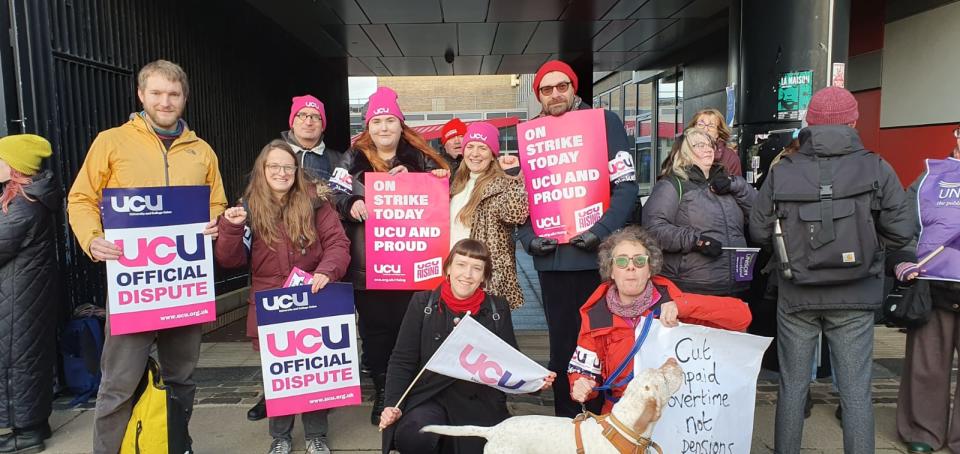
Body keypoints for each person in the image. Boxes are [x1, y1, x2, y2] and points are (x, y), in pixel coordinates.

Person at [67, 60, 227, 454]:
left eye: (173, 94)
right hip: (133, 286)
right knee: (118, 382)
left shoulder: (202, 151)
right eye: (156, 93)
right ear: (141, 95)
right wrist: (92, 238)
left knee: (182, 379)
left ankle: (174, 444)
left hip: (184, 286)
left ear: (184, 98)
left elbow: (217, 204)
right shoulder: (111, 141)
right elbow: (80, 198)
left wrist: (215, 223)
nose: (165, 101)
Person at [749, 86, 912, 454]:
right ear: (853, 121)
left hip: (796, 292)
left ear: (809, 123)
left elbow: (758, 230)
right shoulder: (876, 166)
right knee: (856, 391)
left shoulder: (783, 170)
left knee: (792, 387)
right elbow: (902, 231)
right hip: (855, 293)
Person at [516, 59, 639, 417]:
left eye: (562, 86)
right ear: (538, 95)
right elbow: (521, 197)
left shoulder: (604, 123)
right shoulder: (532, 133)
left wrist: (599, 232)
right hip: (552, 261)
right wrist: (527, 239)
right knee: (562, 349)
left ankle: (602, 421)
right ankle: (567, 424)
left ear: (574, 88)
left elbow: (626, 188)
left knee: (601, 341)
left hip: (594, 259)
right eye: (546, 89)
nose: (555, 94)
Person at [214, 140, 350, 454]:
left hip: (313, 298)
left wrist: (327, 271)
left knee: (314, 372)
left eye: (287, 166)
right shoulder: (247, 207)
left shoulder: (316, 203)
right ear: (263, 170)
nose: (281, 172)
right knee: (279, 377)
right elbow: (230, 260)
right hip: (269, 304)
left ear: (296, 171)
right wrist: (230, 229)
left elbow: (338, 244)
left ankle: (317, 436)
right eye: (273, 166)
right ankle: (281, 437)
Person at [241, 95, 359, 423]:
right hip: (278, 264)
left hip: (324, 254)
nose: (309, 121)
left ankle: (321, 399)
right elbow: (254, 208)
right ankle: (275, 399)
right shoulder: (274, 154)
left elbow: (349, 194)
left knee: (318, 347)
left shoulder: (339, 159)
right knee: (283, 354)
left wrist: (350, 205)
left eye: (316, 117)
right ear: (292, 121)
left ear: (323, 124)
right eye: (303, 115)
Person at [378, 239, 555, 454]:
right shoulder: (423, 303)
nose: (467, 274)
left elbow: (511, 361)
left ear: (484, 276)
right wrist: (392, 404)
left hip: (479, 400)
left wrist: (535, 383)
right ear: (448, 268)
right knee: (416, 434)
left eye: (476, 268)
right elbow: (402, 359)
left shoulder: (497, 308)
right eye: (461, 264)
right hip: (430, 395)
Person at [340, 86, 450, 425]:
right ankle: (384, 393)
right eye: (377, 121)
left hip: (413, 266)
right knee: (375, 334)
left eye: (390, 120)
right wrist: (349, 203)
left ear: (401, 125)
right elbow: (331, 194)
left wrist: (427, 179)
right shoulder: (351, 158)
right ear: (368, 126)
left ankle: (407, 394)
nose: (384, 127)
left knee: (411, 331)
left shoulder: (420, 158)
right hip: (368, 267)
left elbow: (445, 192)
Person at [567, 226, 751, 413]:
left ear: (649, 270)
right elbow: (584, 372)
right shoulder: (596, 317)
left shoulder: (674, 304)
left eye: (639, 261)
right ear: (612, 271)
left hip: (674, 415)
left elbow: (741, 317)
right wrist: (580, 384)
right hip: (621, 418)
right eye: (621, 261)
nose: (631, 266)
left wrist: (684, 305)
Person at [893, 124, 960, 454]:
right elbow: (902, 224)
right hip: (933, 283)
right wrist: (904, 259)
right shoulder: (928, 180)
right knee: (926, 361)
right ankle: (922, 430)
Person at [642, 128, 757, 297]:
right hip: (692, 286)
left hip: (736, 284)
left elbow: (759, 212)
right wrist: (697, 241)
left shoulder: (727, 183)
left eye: (710, 145)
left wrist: (737, 185)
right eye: (699, 145)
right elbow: (653, 229)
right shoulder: (672, 184)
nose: (708, 149)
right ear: (685, 152)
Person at [0, 135, 59, 453]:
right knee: (27, 361)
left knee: (15, 364)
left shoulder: (22, 206)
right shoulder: (28, 199)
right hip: (24, 295)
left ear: (16, 167)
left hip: (18, 297)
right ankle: (35, 424)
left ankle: (25, 434)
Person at [449, 122, 528, 309]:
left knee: (481, 333)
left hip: (483, 275)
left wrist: (514, 178)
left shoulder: (501, 183)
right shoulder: (457, 183)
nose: (475, 153)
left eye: (482, 148)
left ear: (493, 155)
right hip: (454, 270)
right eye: (470, 146)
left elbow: (515, 215)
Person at [685, 108, 742, 176]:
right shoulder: (682, 151)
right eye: (700, 125)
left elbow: (736, 185)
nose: (705, 129)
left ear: (718, 132)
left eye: (711, 126)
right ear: (693, 127)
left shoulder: (729, 157)